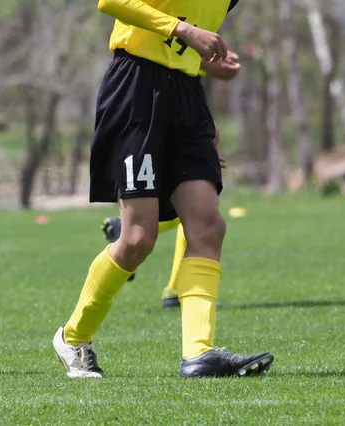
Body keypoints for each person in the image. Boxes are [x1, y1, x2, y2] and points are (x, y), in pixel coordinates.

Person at [53, 0, 274, 378]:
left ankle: (198, 353)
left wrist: (203, 62)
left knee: (208, 225)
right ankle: (73, 336)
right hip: (136, 88)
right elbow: (112, 2)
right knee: (138, 238)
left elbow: (182, 39)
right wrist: (185, 31)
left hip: (186, 95)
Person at [101, 51, 241, 309]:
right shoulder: (169, 20)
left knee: (201, 214)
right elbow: (160, 47)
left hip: (183, 100)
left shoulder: (200, 18)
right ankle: (75, 333)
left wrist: (211, 65)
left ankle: (185, 312)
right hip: (156, 100)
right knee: (187, 218)